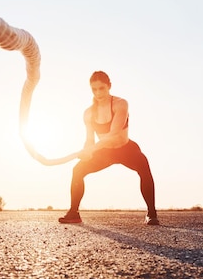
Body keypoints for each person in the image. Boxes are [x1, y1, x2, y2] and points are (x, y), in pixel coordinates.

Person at [58, 71, 159, 225]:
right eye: (94, 89)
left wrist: (92, 149)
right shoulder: (88, 113)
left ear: (109, 86)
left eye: (102, 88)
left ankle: (151, 214)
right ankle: (74, 213)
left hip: (125, 148)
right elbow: (89, 140)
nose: (98, 93)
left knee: (144, 167)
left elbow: (114, 134)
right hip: (104, 153)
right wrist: (86, 151)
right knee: (77, 170)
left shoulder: (120, 104)